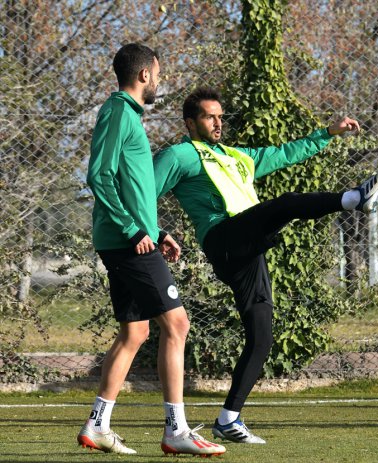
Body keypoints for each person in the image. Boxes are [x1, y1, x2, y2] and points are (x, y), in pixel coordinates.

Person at [153, 86, 378, 444]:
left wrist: (327, 133)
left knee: (262, 336)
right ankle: (356, 198)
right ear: (190, 122)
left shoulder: (237, 156)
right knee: (286, 204)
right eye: (209, 117)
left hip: (248, 249)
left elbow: (284, 154)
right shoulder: (179, 155)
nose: (218, 122)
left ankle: (228, 418)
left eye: (221, 116)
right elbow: (144, 191)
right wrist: (156, 232)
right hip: (223, 238)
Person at [78, 44, 226, 456]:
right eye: (158, 74)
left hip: (131, 238)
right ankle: (176, 431)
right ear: (144, 75)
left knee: (136, 331)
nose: (159, 81)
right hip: (125, 243)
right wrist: (132, 230)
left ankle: (98, 426)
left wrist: (156, 230)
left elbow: (131, 187)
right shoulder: (118, 113)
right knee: (177, 324)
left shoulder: (128, 117)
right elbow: (100, 177)